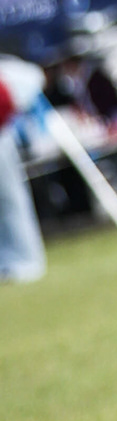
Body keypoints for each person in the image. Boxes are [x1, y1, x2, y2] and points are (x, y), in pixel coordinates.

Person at [0, 53, 49, 284]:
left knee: (11, 201)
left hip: (2, 138)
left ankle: (26, 262)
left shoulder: (10, 70)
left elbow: (33, 81)